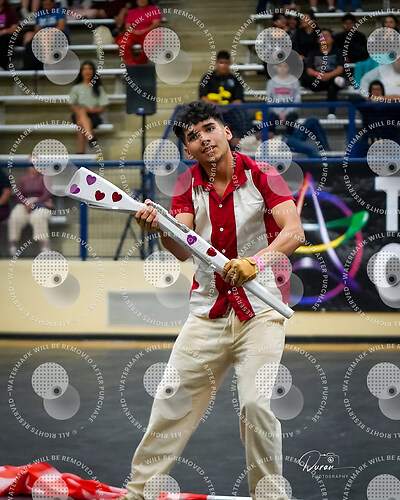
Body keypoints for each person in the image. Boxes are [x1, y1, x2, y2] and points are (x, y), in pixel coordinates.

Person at [124, 100, 304, 500]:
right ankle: (138, 493)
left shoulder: (263, 174)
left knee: (256, 407)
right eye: (193, 136)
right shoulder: (186, 185)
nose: (203, 139)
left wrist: (254, 263)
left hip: (261, 313)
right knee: (170, 402)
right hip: (207, 314)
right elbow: (181, 247)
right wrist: (161, 228)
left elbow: (293, 231)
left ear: (226, 132)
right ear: (188, 150)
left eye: (208, 128)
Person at [199, 50, 249, 145]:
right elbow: (203, 98)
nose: (223, 65)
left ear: (229, 63)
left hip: (231, 112)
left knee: (242, 115)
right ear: (216, 62)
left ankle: (239, 141)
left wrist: (227, 108)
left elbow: (239, 100)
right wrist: (218, 107)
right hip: (213, 112)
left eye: (226, 63)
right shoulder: (207, 78)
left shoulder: (235, 80)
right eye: (221, 62)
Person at [8, 166, 53, 255]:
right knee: (15, 216)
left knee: (38, 217)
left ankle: (45, 246)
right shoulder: (23, 179)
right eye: (31, 165)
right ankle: (13, 245)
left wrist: (34, 204)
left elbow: (46, 195)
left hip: (41, 203)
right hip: (24, 204)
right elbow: (18, 194)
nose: (34, 167)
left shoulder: (44, 178)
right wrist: (26, 203)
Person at [69, 60, 109, 153]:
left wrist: (89, 109)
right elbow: (72, 105)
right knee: (81, 111)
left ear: (93, 71)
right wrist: (80, 110)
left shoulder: (98, 88)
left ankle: (80, 152)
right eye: (84, 69)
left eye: (90, 69)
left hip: (93, 115)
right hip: (78, 113)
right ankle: (91, 137)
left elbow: (102, 108)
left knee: (80, 123)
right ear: (81, 72)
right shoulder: (76, 88)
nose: (87, 71)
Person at [304, 28, 344, 117]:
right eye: (322, 36)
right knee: (308, 79)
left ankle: (331, 114)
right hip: (318, 80)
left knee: (334, 84)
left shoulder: (338, 52)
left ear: (332, 39)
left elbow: (340, 68)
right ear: (318, 40)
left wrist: (329, 75)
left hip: (332, 79)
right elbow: (309, 69)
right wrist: (319, 75)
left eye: (327, 36)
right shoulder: (313, 53)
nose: (324, 38)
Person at [23, 0, 68, 70]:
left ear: (52, 4)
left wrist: (47, 32)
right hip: (43, 36)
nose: (46, 7)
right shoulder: (40, 13)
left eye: (48, 4)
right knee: (29, 36)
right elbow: (37, 29)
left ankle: (45, 64)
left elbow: (61, 26)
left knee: (47, 36)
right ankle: (29, 65)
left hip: (58, 36)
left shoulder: (59, 11)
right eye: (45, 5)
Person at [116, 0, 161, 66]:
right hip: (134, 33)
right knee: (122, 42)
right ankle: (131, 64)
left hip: (149, 32)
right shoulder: (132, 12)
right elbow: (127, 26)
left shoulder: (154, 10)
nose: (142, 0)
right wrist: (135, 32)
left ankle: (141, 62)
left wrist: (143, 30)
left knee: (150, 42)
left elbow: (156, 24)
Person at [266, 60, 301, 133]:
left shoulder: (295, 81)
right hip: (275, 112)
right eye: (280, 66)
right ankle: (272, 139)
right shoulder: (271, 82)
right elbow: (269, 100)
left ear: (288, 68)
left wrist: (286, 113)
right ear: (276, 68)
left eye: (285, 66)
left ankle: (290, 139)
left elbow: (297, 100)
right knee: (269, 120)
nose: (282, 68)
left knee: (291, 120)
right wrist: (278, 113)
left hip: (290, 112)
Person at [0, 0, 19, 70]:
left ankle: (1, 66)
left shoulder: (10, 12)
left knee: (3, 39)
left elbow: (14, 28)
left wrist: (3, 31)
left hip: (6, 37)